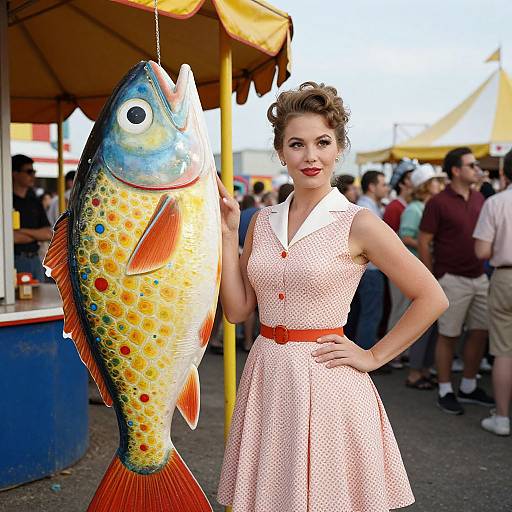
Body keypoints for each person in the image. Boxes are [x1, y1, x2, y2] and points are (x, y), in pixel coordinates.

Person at [216, 81, 448, 511]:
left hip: (328, 381)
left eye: (322, 142)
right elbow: (236, 311)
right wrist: (231, 234)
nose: (310, 156)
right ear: (281, 152)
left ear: (339, 147)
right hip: (267, 375)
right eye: (297, 144)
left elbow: (432, 296)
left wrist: (374, 356)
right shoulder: (261, 222)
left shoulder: (358, 222)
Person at [418, 147, 494, 415]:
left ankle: (470, 386)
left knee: (479, 332)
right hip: (450, 278)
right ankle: (445, 389)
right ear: (456, 170)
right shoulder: (438, 202)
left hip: (479, 276)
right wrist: (430, 278)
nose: (477, 169)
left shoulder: (480, 199)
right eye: (472, 165)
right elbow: (424, 240)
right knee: (448, 335)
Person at [473, 149, 512, 436]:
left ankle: (502, 417)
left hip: (505, 277)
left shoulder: (496, 203)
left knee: (503, 350)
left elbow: (482, 251)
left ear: (503, 173)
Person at [399, 164, 446, 389]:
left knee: (432, 324)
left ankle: (424, 368)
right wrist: (428, 245)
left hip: (427, 268)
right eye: (435, 181)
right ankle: (415, 371)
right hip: (417, 270)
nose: (439, 184)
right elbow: (405, 237)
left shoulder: (427, 206)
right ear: (426, 185)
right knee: (422, 321)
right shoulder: (415, 208)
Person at [352, 170, 389, 351]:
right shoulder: (367, 210)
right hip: (370, 270)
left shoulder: (368, 207)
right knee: (371, 314)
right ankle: (364, 353)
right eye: (383, 184)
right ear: (372, 187)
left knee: (363, 313)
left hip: (365, 270)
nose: (387, 188)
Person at [12, 154, 52, 282]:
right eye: (29, 172)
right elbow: (11, 238)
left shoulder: (34, 201)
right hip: (15, 259)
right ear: (14, 173)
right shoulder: (6, 201)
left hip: (35, 260)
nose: (33, 175)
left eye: (33, 171)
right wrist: (36, 234)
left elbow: (47, 234)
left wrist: (21, 231)